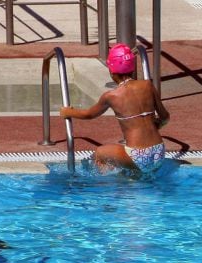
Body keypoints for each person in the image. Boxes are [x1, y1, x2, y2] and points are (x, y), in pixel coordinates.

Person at [60, 43, 170, 174]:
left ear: (111, 71)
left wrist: (69, 112)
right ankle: (136, 177)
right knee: (136, 166)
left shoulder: (111, 96)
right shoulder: (148, 85)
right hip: (159, 152)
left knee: (99, 154)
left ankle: (111, 184)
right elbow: (165, 117)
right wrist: (154, 125)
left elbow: (89, 114)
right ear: (132, 67)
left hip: (137, 156)